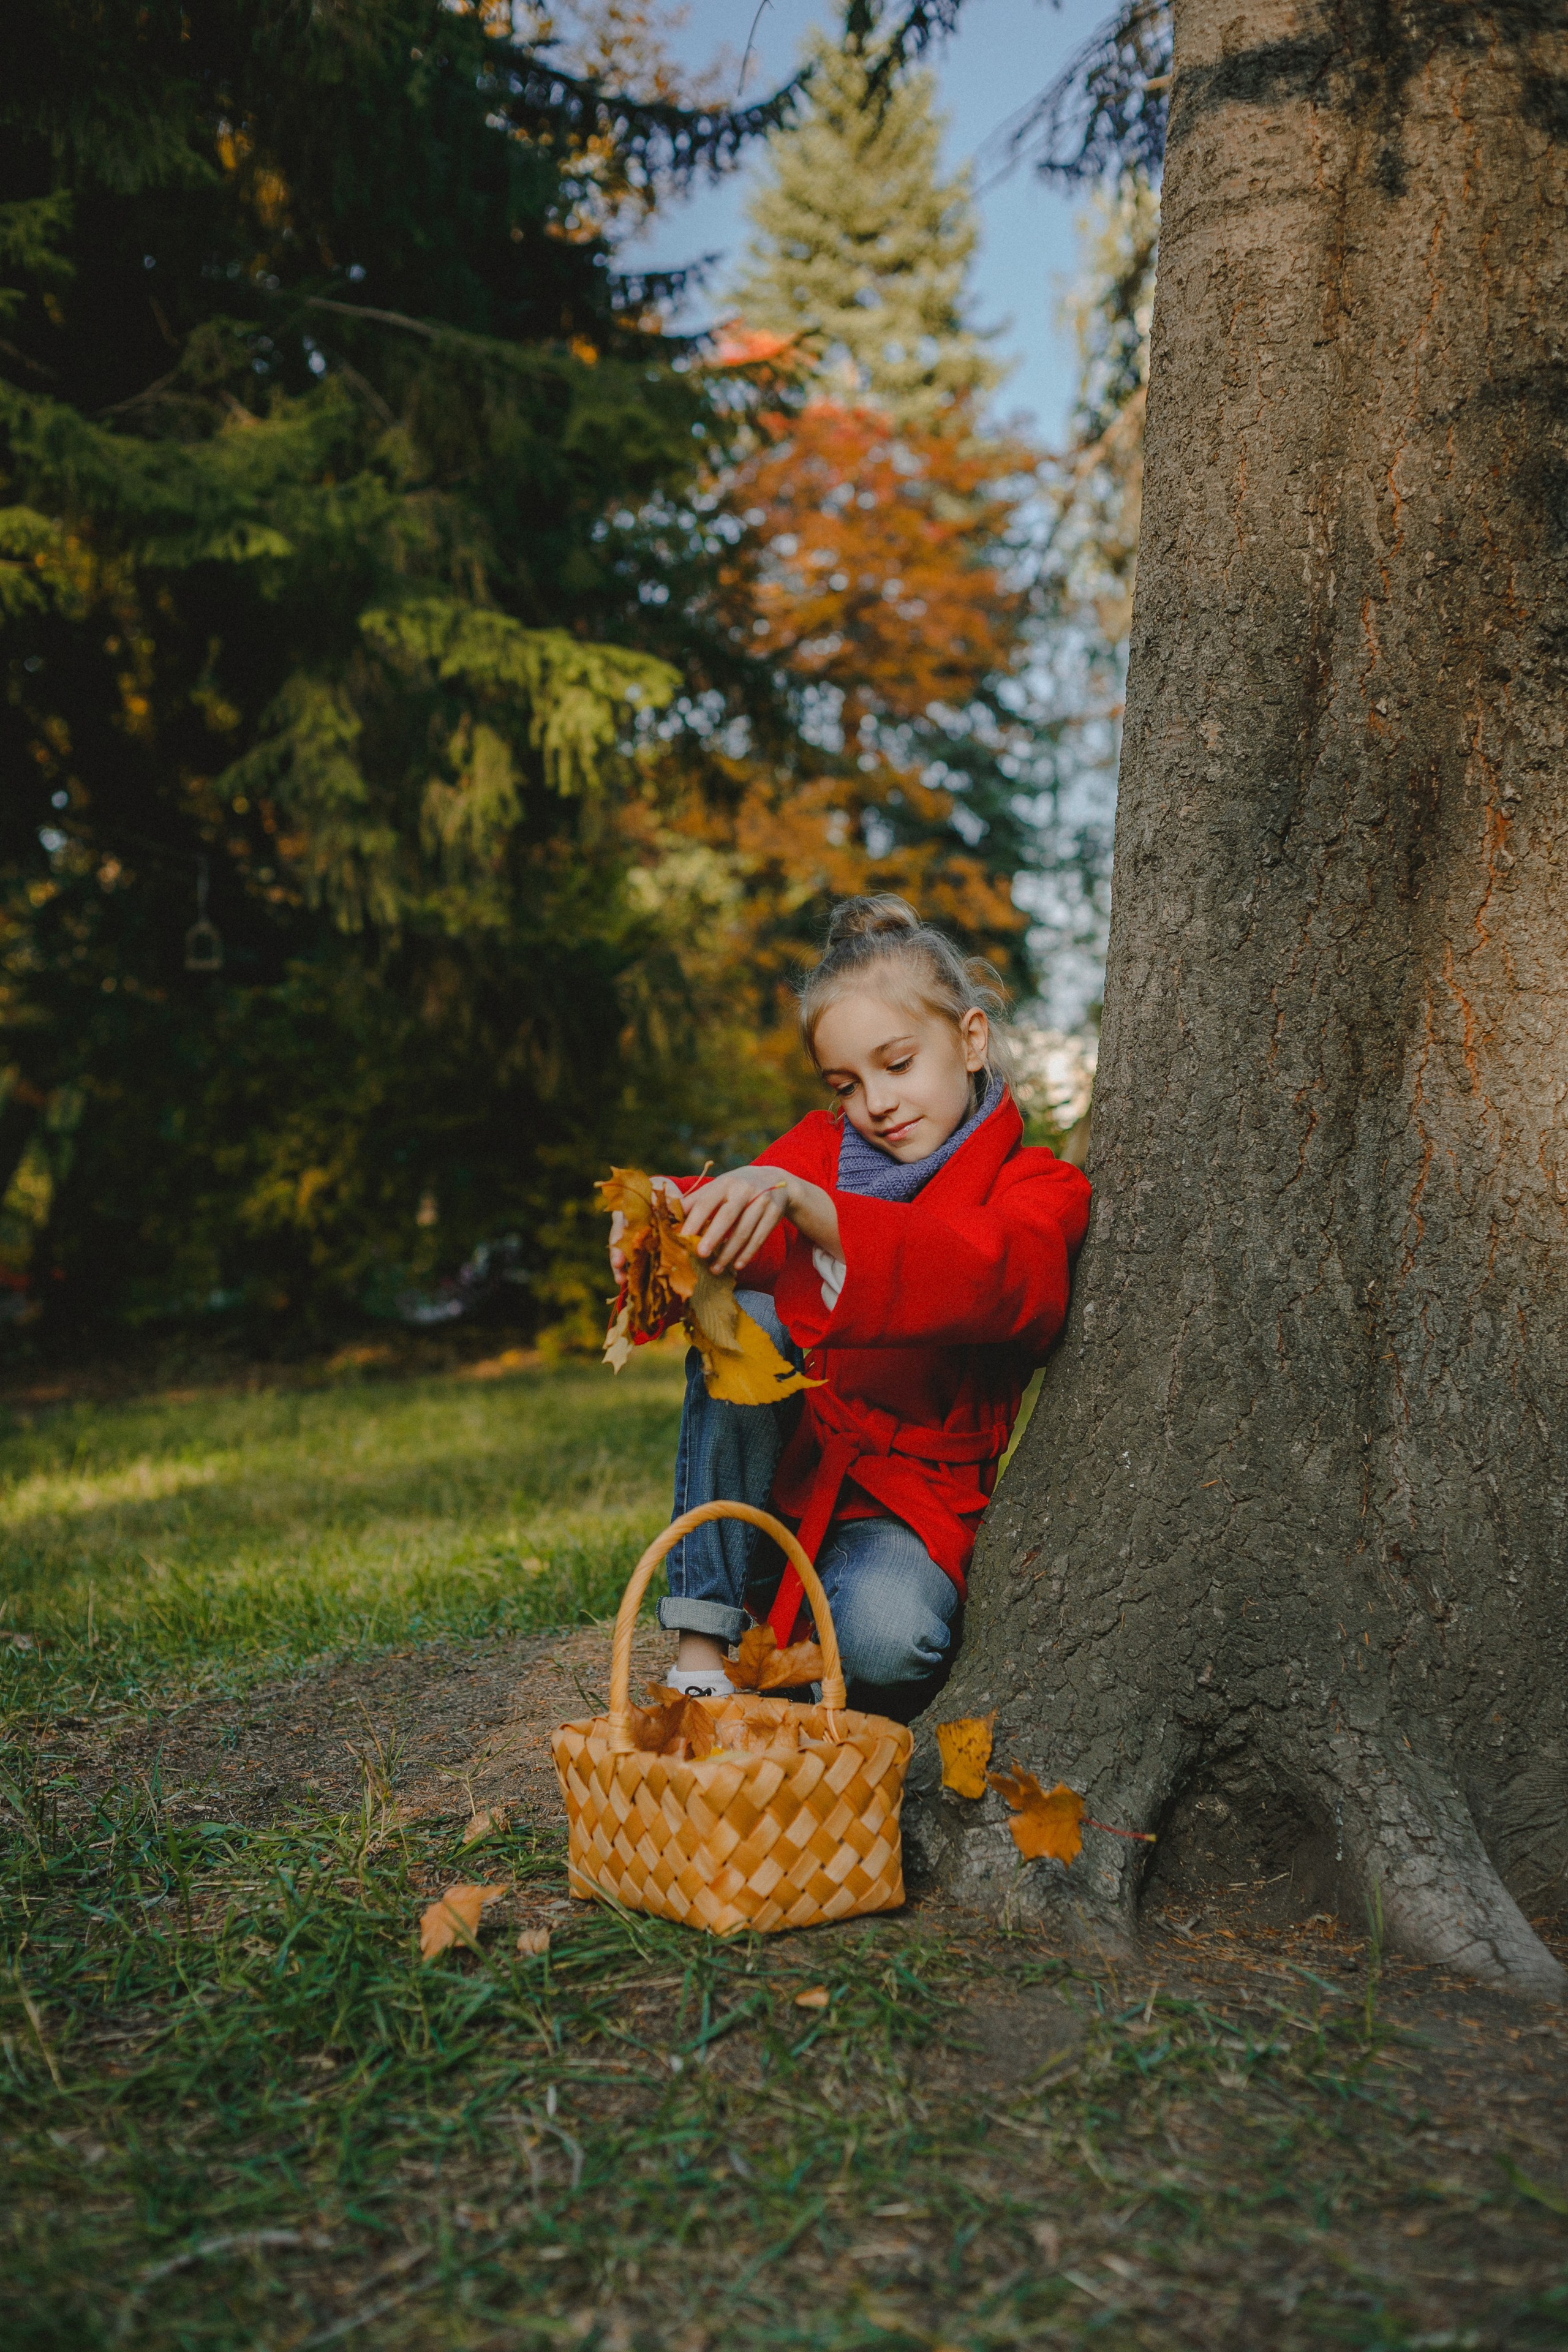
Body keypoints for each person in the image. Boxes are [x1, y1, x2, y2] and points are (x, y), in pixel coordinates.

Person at [609, 895, 1092, 1724]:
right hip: (781, 1484)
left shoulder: (1038, 1186)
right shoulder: (821, 1149)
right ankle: (700, 1654)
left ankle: (799, 1661)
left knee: (887, 1643)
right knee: (750, 1325)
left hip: (910, 1505)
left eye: (897, 1064)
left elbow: (995, 1278)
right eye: (847, 1083)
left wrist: (809, 1208)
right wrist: (666, 1222)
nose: (875, 1102)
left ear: (970, 1039)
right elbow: (744, 1232)